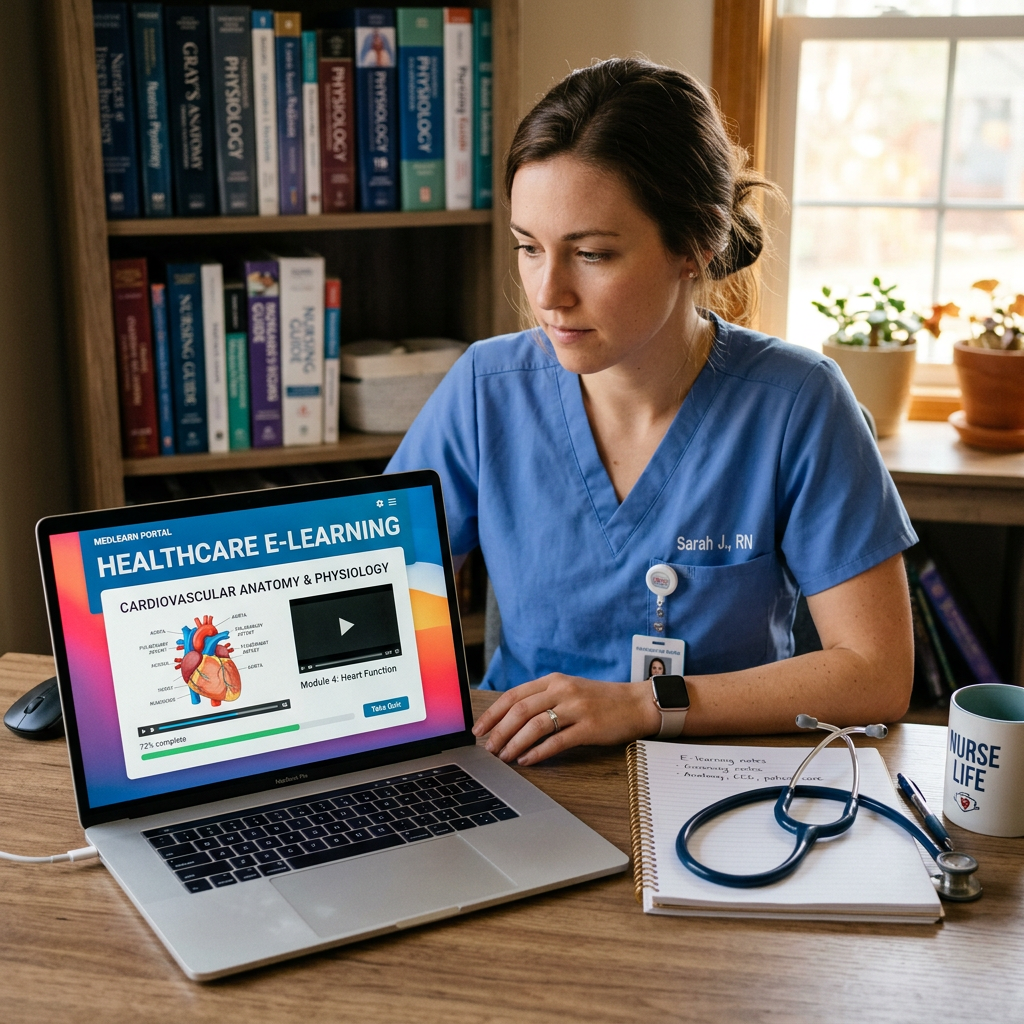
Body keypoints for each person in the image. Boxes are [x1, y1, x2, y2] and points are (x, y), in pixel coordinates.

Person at [386, 58, 917, 767]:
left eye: (593, 254)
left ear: (695, 246)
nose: (549, 294)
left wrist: (644, 707)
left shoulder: (798, 404)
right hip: (525, 767)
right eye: (529, 248)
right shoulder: (486, 387)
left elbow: (877, 675)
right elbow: (378, 600)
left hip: (725, 772)